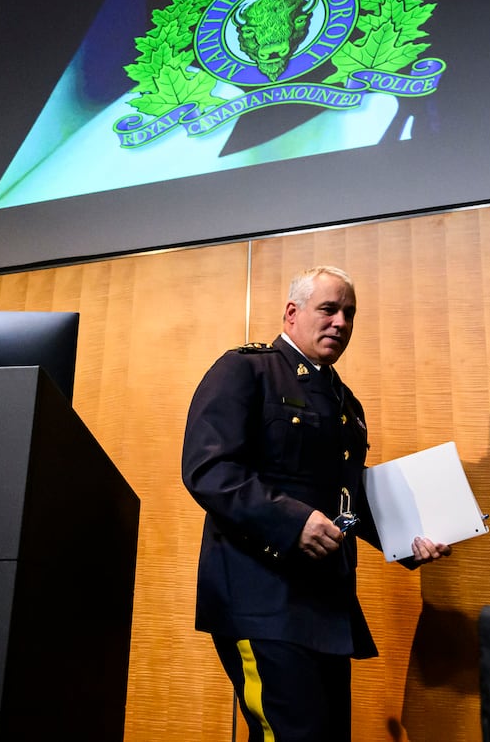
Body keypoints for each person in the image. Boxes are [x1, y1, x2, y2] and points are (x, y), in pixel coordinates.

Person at [182, 265, 451, 742]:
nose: (341, 322)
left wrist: (408, 538)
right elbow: (209, 470)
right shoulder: (245, 370)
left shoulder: (346, 403)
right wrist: (293, 522)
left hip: (326, 603)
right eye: (328, 309)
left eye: (349, 313)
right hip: (262, 595)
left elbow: (344, 505)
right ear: (292, 313)